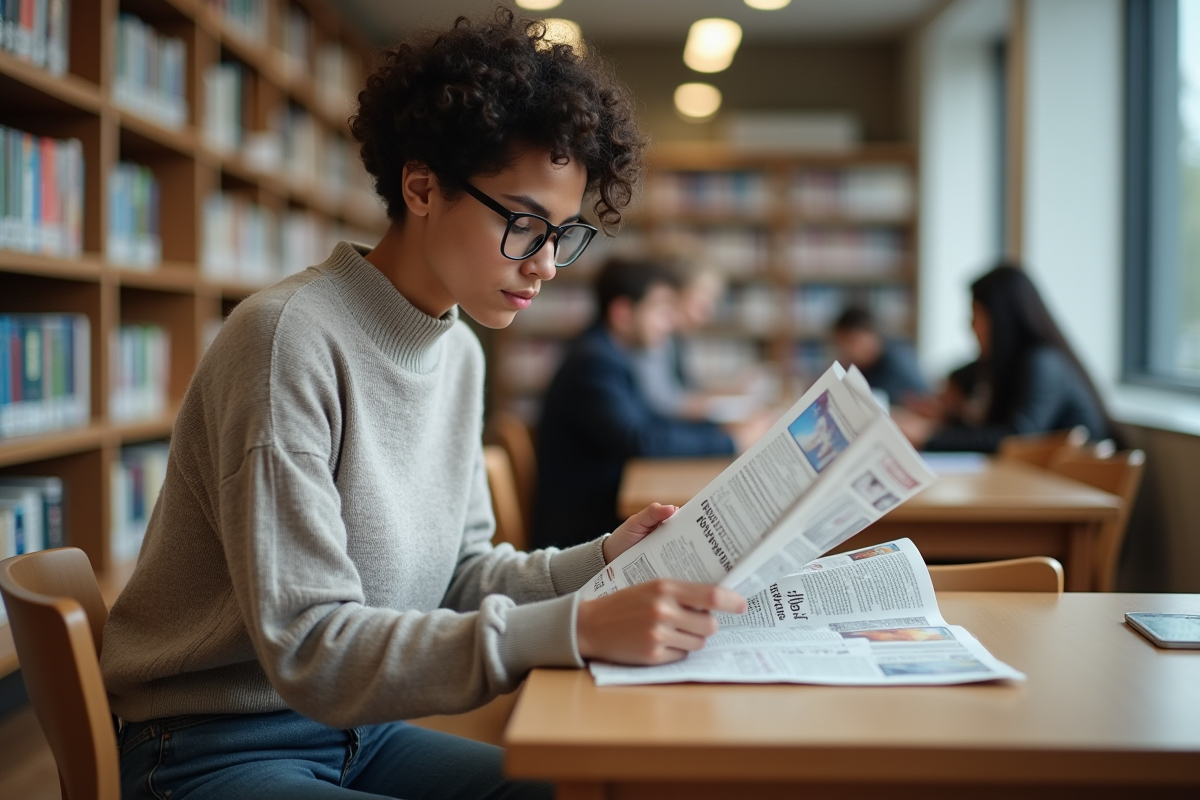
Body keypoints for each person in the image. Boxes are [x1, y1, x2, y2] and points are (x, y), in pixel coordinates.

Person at [100, 11, 745, 800]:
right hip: (214, 746)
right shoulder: (285, 341)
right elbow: (309, 646)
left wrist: (604, 561)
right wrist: (570, 628)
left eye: (564, 234)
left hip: (356, 731)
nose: (545, 264)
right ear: (422, 187)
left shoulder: (459, 351)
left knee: (579, 790)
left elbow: (464, 575)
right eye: (522, 222)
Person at [532, 257, 762, 551]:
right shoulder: (595, 363)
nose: (669, 323)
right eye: (659, 310)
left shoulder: (608, 352)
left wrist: (719, 430)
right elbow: (642, 439)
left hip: (600, 509)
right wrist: (730, 441)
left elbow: (650, 422)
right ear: (623, 313)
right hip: (583, 530)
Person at [892, 263, 1114, 452]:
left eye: (977, 315)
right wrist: (949, 418)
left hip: (1070, 487)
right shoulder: (1006, 366)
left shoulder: (1043, 362)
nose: (970, 325)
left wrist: (930, 436)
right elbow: (992, 431)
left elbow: (1017, 439)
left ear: (1001, 320)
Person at [630, 264, 726, 419]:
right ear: (678, 296)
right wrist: (716, 407)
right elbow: (658, 402)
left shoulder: (678, 340)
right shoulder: (653, 338)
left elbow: (685, 388)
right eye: (701, 303)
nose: (708, 314)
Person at [830, 306, 928, 407]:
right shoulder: (864, 366)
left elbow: (922, 400)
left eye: (850, 342)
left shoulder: (896, 361)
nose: (846, 351)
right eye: (840, 345)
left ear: (870, 334)